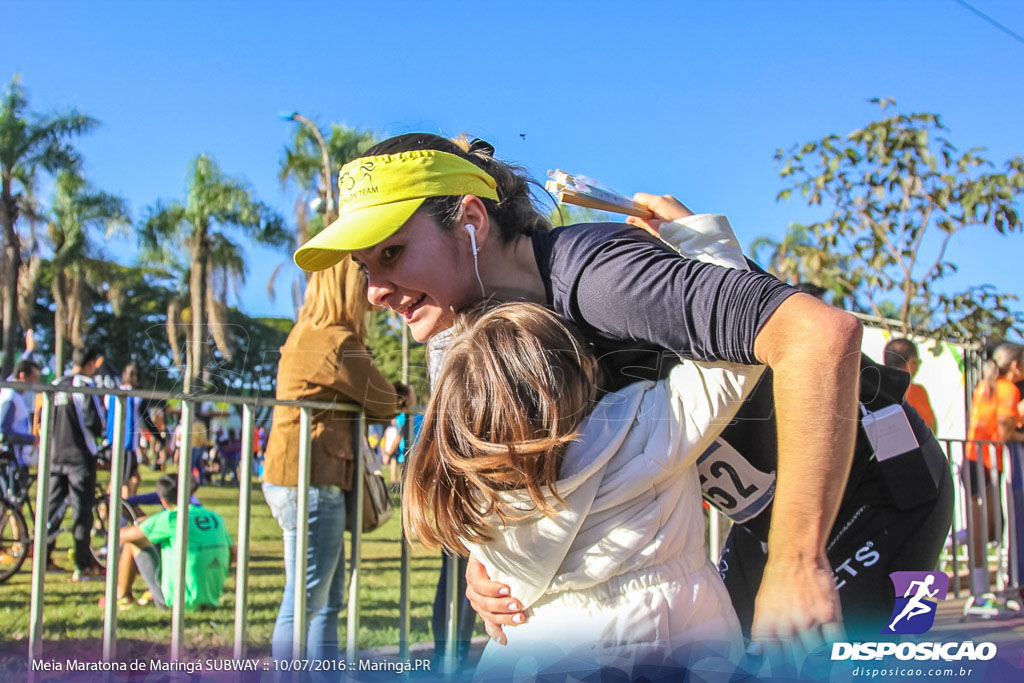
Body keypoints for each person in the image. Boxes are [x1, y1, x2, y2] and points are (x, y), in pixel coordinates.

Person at [292, 133, 951, 648]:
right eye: (362, 267)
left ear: (470, 218)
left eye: (391, 254)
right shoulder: (463, 330)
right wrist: (487, 566)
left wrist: (799, 561)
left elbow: (820, 335)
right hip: (761, 513)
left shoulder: (601, 278)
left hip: (876, 486)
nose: (374, 292)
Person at [407, 303, 751, 679]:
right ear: (586, 364)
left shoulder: (475, 493)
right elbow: (736, 343)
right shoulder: (646, 428)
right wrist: (696, 241)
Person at [262, 257, 413, 669]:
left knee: (325, 600)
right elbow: (381, 401)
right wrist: (405, 397)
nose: (372, 289)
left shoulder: (307, 333)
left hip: (300, 478)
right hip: (312, 482)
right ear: (347, 287)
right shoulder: (335, 342)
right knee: (306, 601)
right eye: (364, 277)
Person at [104, 474, 233, 610]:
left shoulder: (170, 519)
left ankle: (122, 597)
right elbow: (232, 552)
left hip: (176, 602)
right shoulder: (214, 517)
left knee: (132, 542)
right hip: (211, 597)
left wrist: (144, 524)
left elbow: (120, 536)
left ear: (163, 502)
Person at [964, 342, 1024, 595]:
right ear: (1015, 366)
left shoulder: (985, 385)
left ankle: (981, 592)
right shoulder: (1008, 389)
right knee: (990, 527)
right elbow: (1005, 432)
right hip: (987, 464)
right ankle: (983, 593)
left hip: (977, 460)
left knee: (986, 526)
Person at [46, 346, 107, 581]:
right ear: (92, 363)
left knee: (51, 510)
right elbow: (96, 422)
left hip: (55, 455)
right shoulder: (86, 386)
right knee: (82, 512)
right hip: (80, 457)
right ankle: (82, 566)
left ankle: (45, 558)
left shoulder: (56, 384)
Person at [107, 361, 145, 498]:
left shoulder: (111, 394)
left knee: (134, 478)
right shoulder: (136, 397)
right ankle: (115, 514)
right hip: (126, 444)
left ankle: (129, 510)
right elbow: (146, 418)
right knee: (120, 483)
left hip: (119, 443)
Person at [884, 338, 937, 433]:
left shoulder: (874, 387)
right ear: (913, 362)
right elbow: (930, 428)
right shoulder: (916, 391)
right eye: (918, 362)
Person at [1, 359, 42, 465]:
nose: (36, 382)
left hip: (16, 461)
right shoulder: (11, 397)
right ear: (22, 376)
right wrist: (32, 439)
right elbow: (3, 433)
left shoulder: (15, 395)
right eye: (34, 377)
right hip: (12, 463)